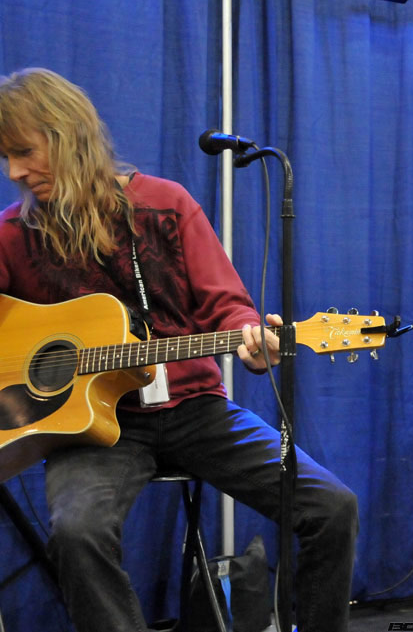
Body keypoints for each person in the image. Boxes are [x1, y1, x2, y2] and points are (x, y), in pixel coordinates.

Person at [0, 68, 357, 632]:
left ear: (67, 133)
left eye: (23, 151)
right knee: (77, 533)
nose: (14, 171)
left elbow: (228, 304)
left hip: (195, 410)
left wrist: (251, 336)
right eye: (6, 158)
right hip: (92, 430)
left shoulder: (165, 204)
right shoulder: (13, 235)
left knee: (331, 507)